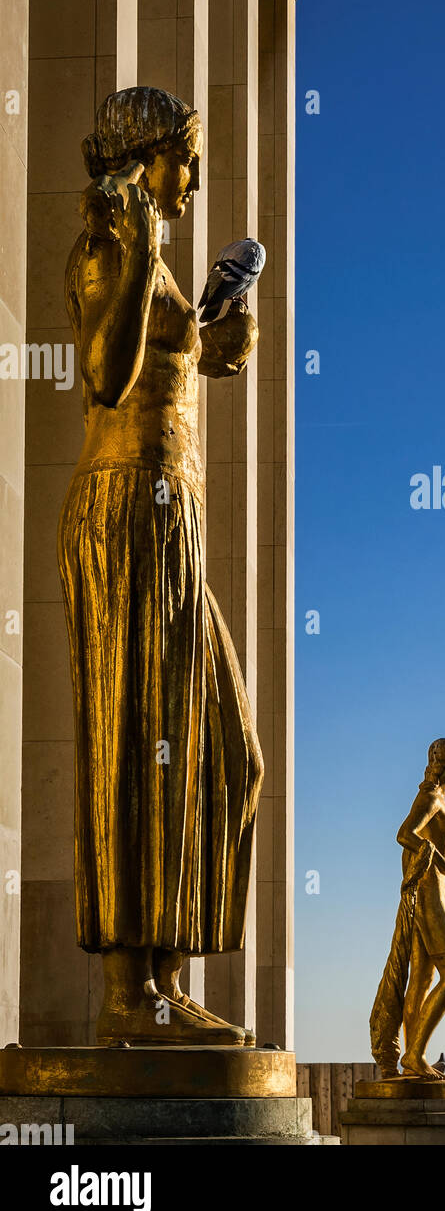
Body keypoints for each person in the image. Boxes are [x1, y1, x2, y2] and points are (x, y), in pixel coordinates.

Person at [59, 86, 263, 1045]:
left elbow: (167, 357)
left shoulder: (163, 266)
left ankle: (170, 977)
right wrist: (143, 250)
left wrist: (217, 339)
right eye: (183, 157)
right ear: (144, 159)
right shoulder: (109, 249)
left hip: (170, 521)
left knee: (225, 753)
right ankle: (127, 997)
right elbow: (103, 371)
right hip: (124, 515)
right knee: (139, 742)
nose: (192, 177)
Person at [369, 738, 445, 1078]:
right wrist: (439, 859)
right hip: (429, 897)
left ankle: (413, 1059)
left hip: (434, 894)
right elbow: (404, 833)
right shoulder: (431, 798)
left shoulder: (436, 798)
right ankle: (414, 1054)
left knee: (421, 980)